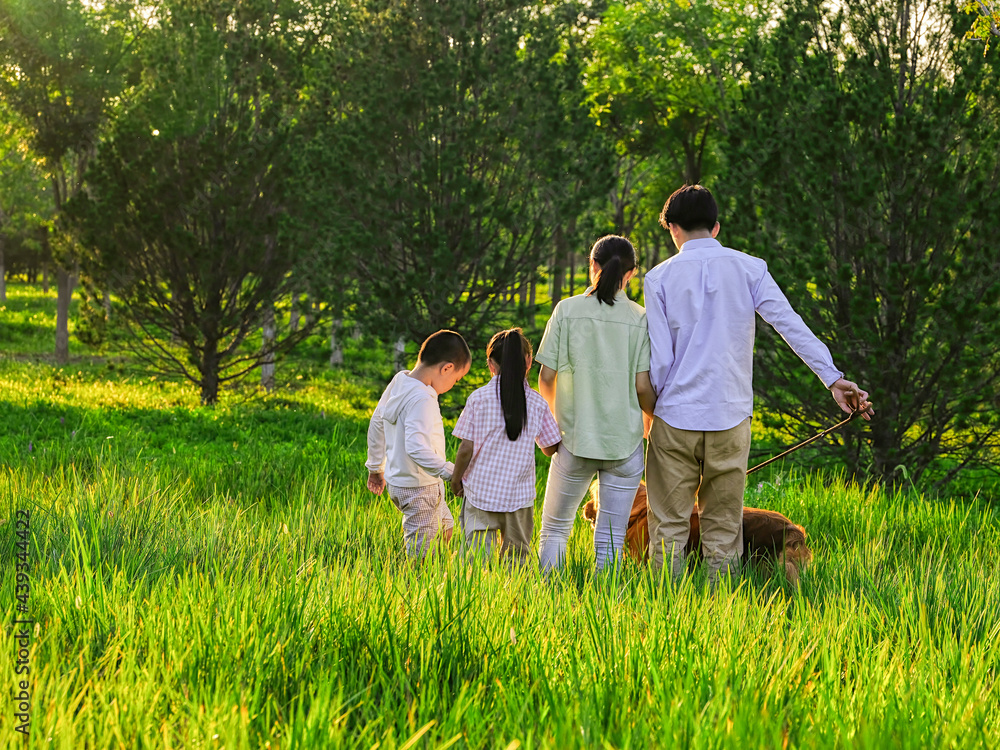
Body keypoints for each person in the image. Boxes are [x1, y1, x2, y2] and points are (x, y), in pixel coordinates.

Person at [643, 185, 874, 584]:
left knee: (667, 528)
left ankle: (666, 611)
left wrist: (657, 409)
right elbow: (790, 325)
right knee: (723, 526)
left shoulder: (658, 277)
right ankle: (722, 613)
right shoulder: (751, 268)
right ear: (715, 227)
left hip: (675, 419)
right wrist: (833, 379)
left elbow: (659, 359)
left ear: (673, 228)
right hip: (730, 418)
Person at [535, 235, 657, 572]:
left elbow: (546, 378)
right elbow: (642, 386)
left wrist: (555, 425)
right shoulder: (640, 318)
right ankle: (603, 609)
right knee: (612, 539)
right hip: (624, 444)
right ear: (630, 274)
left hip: (574, 440)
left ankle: (549, 603)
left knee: (555, 530)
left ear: (593, 266)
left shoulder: (566, 310)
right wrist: (648, 423)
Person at [450, 328, 561, 564]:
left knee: (476, 561)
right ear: (529, 361)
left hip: (480, 493)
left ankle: (481, 597)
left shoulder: (478, 398)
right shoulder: (537, 403)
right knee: (517, 559)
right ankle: (514, 599)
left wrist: (456, 478)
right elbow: (550, 447)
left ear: (491, 363)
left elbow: (466, 449)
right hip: (518, 497)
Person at [365, 330, 471, 558]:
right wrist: (452, 472)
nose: (453, 384)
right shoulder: (423, 399)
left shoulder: (400, 379)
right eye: (456, 379)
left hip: (402, 482)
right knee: (422, 554)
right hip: (420, 488)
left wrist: (375, 468)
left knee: (446, 527)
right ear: (447, 369)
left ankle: (442, 572)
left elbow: (377, 421)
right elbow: (416, 448)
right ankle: (418, 585)